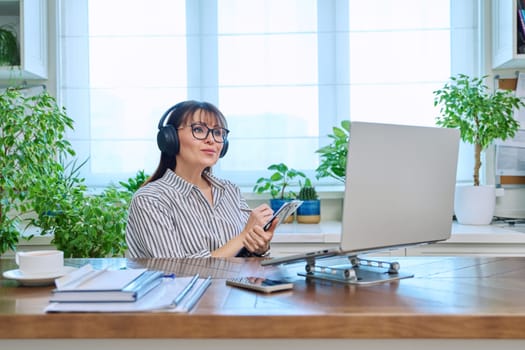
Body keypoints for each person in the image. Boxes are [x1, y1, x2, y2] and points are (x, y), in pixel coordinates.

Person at [125, 100, 277, 258]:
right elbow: (174, 270)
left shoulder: (230, 191)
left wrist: (258, 247)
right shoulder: (150, 199)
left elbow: (245, 254)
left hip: (237, 283)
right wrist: (243, 237)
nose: (211, 140)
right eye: (198, 129)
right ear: (170, 139)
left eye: (218, 133)